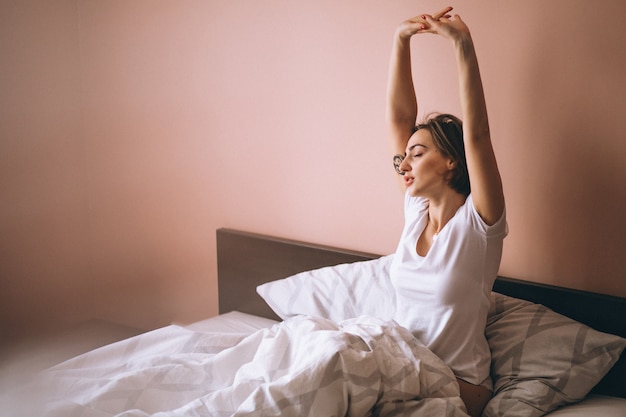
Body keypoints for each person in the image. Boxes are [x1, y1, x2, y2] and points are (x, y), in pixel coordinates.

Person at [385, 6, 507, 417]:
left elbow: (478, 134)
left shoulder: (479, 223)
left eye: (417, 155)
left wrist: (463, 46)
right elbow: (401, 118)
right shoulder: (415, 211)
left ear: (452, 160)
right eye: (404, 157)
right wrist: (401, 42)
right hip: (403, 369)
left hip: (459, 385)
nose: (404, 164)